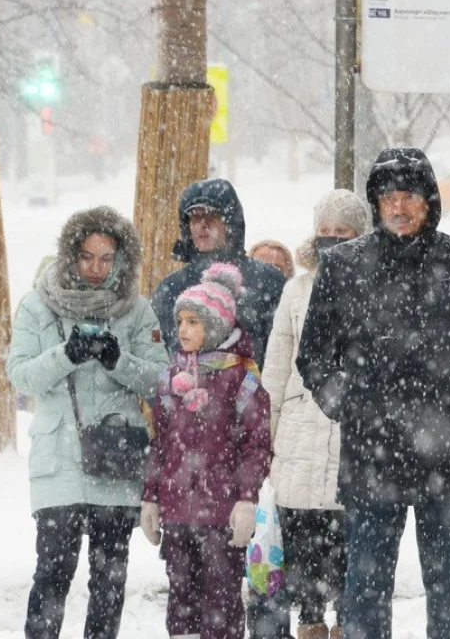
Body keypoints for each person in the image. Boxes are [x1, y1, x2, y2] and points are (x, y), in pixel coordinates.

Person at [296, 148, 450, 639]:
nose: (399, 207)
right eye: (388, 197)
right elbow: (314, 356)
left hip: (448, 455)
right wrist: (347, 403)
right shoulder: (344, 265)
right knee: (365, 584)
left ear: (429, 200)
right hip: (372, 453)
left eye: (408, 196)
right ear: (375, 202)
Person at [8, 206, 167, 639]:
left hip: (115, 461)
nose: (96, 268)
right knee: (51, 578)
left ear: (121, 259)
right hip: (57, 463)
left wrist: (118, 360)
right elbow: (19, 374)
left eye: (106, 258)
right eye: (87, 256)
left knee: (109, 583)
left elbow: (160, 380)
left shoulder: (136, 310)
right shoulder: (37, 306)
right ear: (69, 254)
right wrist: (67, 355)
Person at [141, 263, 272, 639]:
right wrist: (151, 497)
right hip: (178, 511)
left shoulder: (242, 379)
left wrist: (246, 499)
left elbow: (256, 444)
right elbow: (160, 443)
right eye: (180, 320)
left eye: (193, 322)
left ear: (214, 326)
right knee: (181, 600)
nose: (183, 329)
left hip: (222, 514)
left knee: (222, 602)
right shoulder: (171, 379)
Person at [262, 190, 370, 639]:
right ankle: (309, 625)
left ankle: (345, 626)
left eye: (341, 232)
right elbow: (276, 367)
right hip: (299, 434)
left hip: (352, 433)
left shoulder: (373, 285)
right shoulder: (297, 288)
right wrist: (263, 437)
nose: (330, 239)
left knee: (349, 551)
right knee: (303, 548)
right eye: (324, 230)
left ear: (359, 236)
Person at [152, 178, 287, 368]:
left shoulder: (268, 280)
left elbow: (284, 353)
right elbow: (156, 356)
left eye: (211, 216)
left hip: (254, 392)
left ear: (230, 223)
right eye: (194, 217)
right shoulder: (170, 287)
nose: (202, 225)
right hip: (186, 394)